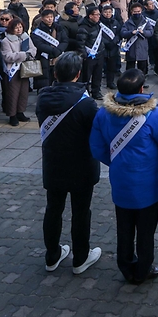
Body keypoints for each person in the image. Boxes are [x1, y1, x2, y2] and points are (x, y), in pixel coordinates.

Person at [90, 67, 158, 282]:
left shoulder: (103, 113)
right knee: (146, 231)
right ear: (141, 89)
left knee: (124, 227)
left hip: (121, 182)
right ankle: (144, 269)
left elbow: (97, 148)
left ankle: (126, 267)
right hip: (148, 184)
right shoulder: (153, 114)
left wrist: (117, 163)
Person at [37, 52, 102, 275]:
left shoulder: (43, 98)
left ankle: (52, 255)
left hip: (53, 163)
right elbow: (97, 132)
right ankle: (80, 258)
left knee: (53, 209)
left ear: (55, 73)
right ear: (78, 74)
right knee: (81, 212)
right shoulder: (86, 104)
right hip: (81, 166)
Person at [1, 18, 35, 126]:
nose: (19, 29)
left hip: (25, 69)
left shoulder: (26, 37)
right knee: (13, 93)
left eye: (20, 27)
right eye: (16, 28)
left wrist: (29, 54)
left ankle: (20, 112)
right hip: (13, 70)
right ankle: (12, 115)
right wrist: (23, 55)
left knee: (23, 92)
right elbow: (7, 56)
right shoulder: (6, 41)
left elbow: (33, 49)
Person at [32, 9, 68, 90]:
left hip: (57, 57)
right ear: (42, 18)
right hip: (44, 57)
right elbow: (38, 44)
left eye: (51, 17)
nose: (50, 19)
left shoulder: (59, 28)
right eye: (47, 17)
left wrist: (59, 50)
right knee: (44, 80)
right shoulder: (38, 31)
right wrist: (52, 50)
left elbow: (65, 40)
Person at [77, 5, 106, 100]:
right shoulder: (83, 27)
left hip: (99, 54)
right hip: (89, 56)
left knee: (98, 75)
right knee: (86, 76)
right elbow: (80, 43)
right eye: (96, 15)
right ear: (90, 16)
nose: (98, 16)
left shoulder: (98, 25)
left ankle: (96, 92)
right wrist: (85, 55)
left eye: (99, 14)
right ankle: (85, 93)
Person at [121, 2, 155, 74]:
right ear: (131, 12)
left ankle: (142, 80)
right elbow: (123, 33)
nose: (137, 13)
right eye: (135, 11)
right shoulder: (128, 22)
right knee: (130, 70)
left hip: (142, 48)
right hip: (131, 48)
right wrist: (131, 32)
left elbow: (151, 32)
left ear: (141, 11)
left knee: (143, 69)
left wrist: (143, 32)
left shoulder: (145, 22)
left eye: (138, 11)